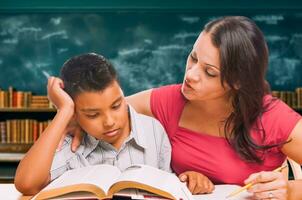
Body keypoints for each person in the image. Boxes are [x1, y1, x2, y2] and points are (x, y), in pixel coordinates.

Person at [59, 16, 302, 199]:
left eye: (209, 72)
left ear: (237, 81)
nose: (191, 75)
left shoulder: (272, 117)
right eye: (193, 58)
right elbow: (105, 108)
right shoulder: (170, 100)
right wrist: (76, 118)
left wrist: (290, 190)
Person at [14, 53, 172, 195]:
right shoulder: (72, 144)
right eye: (93, 115)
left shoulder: (153, 130)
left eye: (116, 106)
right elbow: (27, 183)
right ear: (75, 114)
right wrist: (64, 111)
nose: (110, 122)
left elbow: (169, 187)